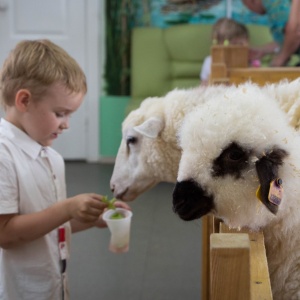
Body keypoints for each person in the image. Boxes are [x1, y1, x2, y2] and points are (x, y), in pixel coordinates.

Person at [0, 39, 130, 300]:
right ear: (24, 100)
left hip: (51, 283)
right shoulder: (4, 154)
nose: (66, 124)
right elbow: (5, 233)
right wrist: (67, 207)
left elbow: (50, 222)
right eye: (60, 113)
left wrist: (89, 218)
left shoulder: (52, 158)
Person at [242, 0, 300, 67]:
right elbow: (286, 37)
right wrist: (264, 49)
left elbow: (295, 32)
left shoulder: (272, 3)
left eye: (245, 5)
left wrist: (280, 59)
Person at [200, 17, 250, 85]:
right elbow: (203, 85)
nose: (238, 48)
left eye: (241, 44)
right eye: (235, 44)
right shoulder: (209, 61)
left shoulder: (250, 61)